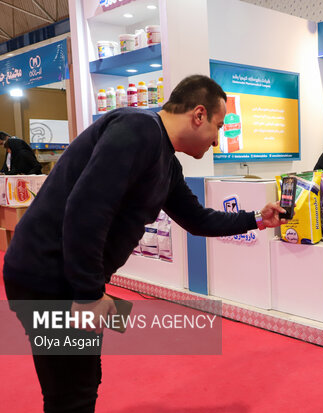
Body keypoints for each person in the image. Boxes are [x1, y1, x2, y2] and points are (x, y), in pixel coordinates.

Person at [3, 74, 287, 412]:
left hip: (62, 277)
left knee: (80, 380)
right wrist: (89, 294)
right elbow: (85, 210)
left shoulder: (165, 160)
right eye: (219, 126)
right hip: (48, 276)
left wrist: (256, 218)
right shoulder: (137, 129)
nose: (217, 140)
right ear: (198, 115)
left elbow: (197, 220)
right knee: (72, 391)